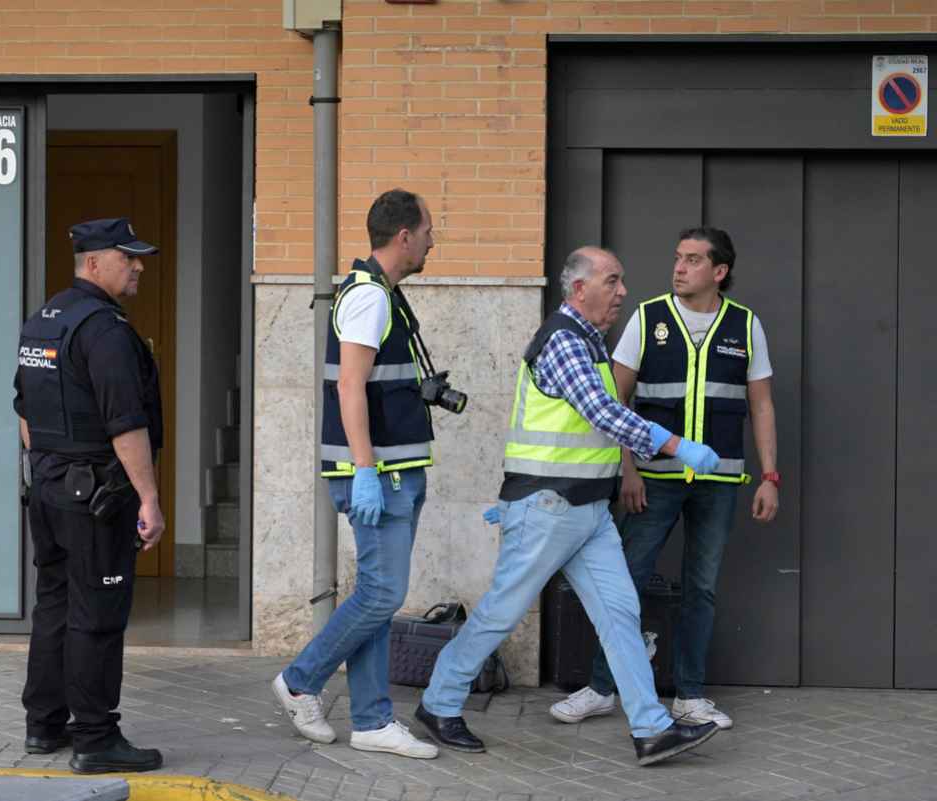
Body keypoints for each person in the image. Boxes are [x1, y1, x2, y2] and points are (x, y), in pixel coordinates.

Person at [415, 247, 724, 766]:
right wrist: (675, 445)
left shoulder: (588, 343)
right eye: (613, 280)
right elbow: (601, 412)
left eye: (622, 281)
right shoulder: (563, 340)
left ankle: (651, 729)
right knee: (500, 613)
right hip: (548, 506)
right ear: (580, 289)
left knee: (621, 614)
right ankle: (439, 704)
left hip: (583, 510)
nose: (623, 291)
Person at [551, 227, 778, 731]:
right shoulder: (647, 317)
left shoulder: (745, 326)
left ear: (719, 272)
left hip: (719, 482)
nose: (679, 268)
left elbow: (761, 404)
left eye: (693, 260)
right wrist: (627, 468)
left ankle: (690, 696)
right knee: (624, 581)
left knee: (703, 587)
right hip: (654, 479)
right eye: (678, 258)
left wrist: (770, 476)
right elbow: (614, 400)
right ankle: (602, 687)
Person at [272, 188, 442, 759]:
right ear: (403, 236)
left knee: (379, 595)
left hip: (395, 470)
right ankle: (300, 681)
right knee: (381, 592)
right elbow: (349, 386)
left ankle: (371, 721)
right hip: (378, 475)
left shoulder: (381, 294)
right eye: (427, 231)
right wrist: (365, 470)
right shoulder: (368, 297)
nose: (431, 241)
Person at [13, 217, 166, 774]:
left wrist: (47, 467)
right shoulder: (104, 330)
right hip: (98, 495)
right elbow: (126, 425)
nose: (139, 266)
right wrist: (148, 499)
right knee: (95, 613)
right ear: (95, 261)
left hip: (51, 492)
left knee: (54, 602)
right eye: (129, 257)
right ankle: (96, 738)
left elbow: (25, 411)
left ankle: (44, 724)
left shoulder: (44, 321)